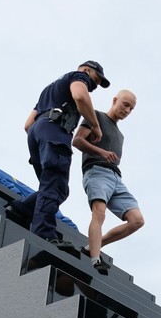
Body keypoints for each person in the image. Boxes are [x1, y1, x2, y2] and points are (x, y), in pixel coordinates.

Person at [8, 60, 107, 248]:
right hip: (55, 130)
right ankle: (44, 234)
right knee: (54, 185)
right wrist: (95, 125)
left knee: (58, 188)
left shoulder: (49, 89)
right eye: (97, 79)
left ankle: (20, 210)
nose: (95, 85)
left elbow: (28, 124)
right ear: (87, 70)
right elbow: (80, 96)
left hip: (37, 132)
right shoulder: (79, 77)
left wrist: (41, 136)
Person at [71, 89, 143, 273]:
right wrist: (101, 152)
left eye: (131, 109)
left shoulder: (121, 135)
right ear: (115, 100)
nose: (127, 110)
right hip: (96, 171)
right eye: (125, 105)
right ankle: (95, 259)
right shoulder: (96, 117)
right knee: (99, 212)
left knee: (137, 220)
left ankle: (93, 246)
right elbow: (77, 140)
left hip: (116, 177)